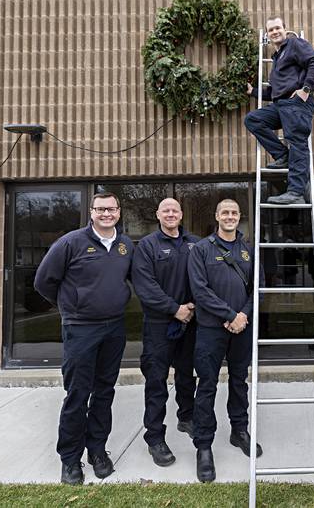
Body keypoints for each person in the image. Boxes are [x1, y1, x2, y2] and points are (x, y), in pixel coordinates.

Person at [34, 192, 134, 485]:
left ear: (118, 212)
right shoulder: (70, 242)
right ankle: (70, 459)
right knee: (78, 394)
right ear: (91, 212)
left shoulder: (125, 245)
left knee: (104, 391)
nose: (106, 214)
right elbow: (43, 281)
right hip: (81, 328)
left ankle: (98, 451)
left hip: (114, 328)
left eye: (111, 209)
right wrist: (70, 305)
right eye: (101, 209)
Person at [188, 199, 262, 483]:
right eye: (225, 213)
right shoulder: (202, 249)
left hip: (242, 328)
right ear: (216, 216)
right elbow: (200, 290)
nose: (230, 217)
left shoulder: (249, 250)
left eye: (234, 213)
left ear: (239, 217)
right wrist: (230, 314)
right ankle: (204, 446)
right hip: (210, 329)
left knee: (239, 381)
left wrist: (243, 315)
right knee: (206, 385)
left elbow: (258, 288)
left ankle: (239, 430)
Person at [131, 198, 200, 467]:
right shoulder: (147, 246)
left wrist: (192, 306)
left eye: (175, 210)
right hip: (159, 325)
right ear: (158, 215)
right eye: (165, 210)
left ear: (181, 214)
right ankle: (155, 437)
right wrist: (175, 309)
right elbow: (145, 287)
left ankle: (187, 417)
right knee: (156, 381)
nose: (170, 214)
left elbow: (203, 276)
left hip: (191, 320)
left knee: (186, 374)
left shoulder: (195, 243)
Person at [244, 15, 314, 205]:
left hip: (296, 104)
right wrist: (253, 91)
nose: (274, 32)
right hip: (280, 105)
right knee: (253, 119)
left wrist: (306, 89)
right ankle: (282, 155)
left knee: (297, 143)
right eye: (270, 30)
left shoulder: (295, 44)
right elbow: (274, 91)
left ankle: (295, 192)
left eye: (277, 28)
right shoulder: (277, 57)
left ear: (285, 29)